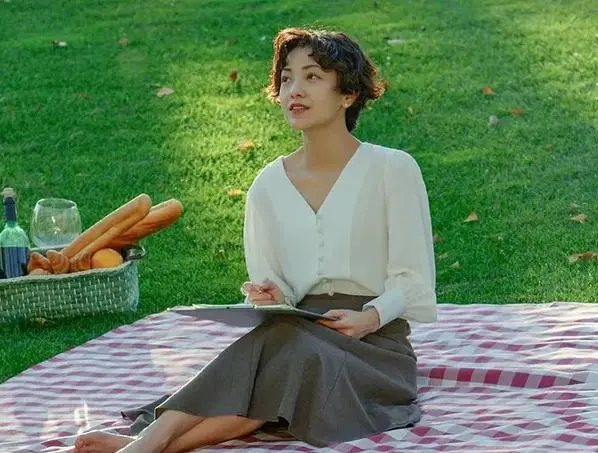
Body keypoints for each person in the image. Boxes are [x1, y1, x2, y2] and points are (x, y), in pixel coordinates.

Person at [74, 27, 436, 453]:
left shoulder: (393, 169)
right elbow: (277, 287)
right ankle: (151, 443)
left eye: (312, 76)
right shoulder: (268, 185)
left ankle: (149, 442)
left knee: (291, 353)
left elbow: (414, 279)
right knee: (288, 346)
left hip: (375, 347)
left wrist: (369, 318)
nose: (294, 90)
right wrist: (273, 296)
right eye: (286, 78)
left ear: (348, 94)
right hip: (296, 331)